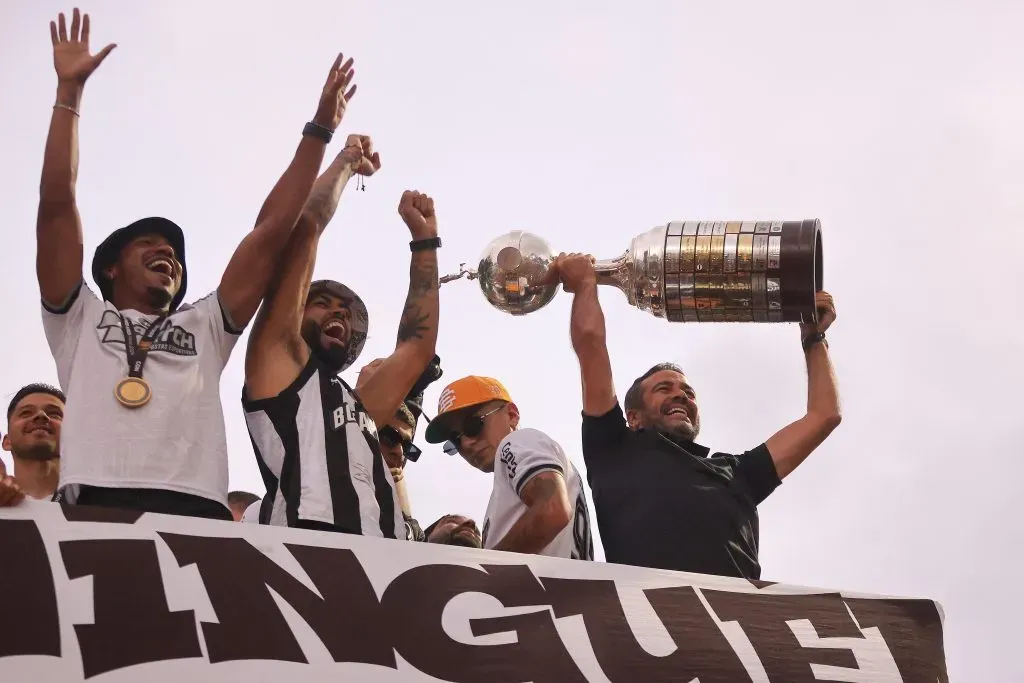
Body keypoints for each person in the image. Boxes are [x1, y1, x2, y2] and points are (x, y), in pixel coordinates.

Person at [37, 9, 359, 520]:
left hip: (197, 511)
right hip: (93, 503)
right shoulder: (76, 318)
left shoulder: (206, 324)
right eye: (148, 244)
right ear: (111, 268)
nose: (167, 254)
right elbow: (57, 206)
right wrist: (69, 96)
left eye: (176, 256)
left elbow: (270, 233)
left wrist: (319, 130)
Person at [555, 252, 842, 579]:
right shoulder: (613, 449)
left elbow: (824, 416)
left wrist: (814, 338)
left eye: (688, 393)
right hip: (650, 620)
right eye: (663, 389)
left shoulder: (739, 473)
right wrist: (585, 285)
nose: (680, 395)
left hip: (739, 623)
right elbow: (591, 345)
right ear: (633, 418)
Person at [242, 141, 441, 538]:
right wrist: (345, 163)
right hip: (312, 555)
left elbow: (416, 347)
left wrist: (425, 243)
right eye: (322, 303)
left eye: (346, 313)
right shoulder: (275, 365)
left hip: (387, 567)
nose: (339, 313)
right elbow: (305, 230)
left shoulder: (356, 406)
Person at [424, 376, 594, 559]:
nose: (466, 443)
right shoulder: (511, 481)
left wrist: (486, 567)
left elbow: (552, 510)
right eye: (455, 439)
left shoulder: (516, 442)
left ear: (511, 415)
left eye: (473, 425)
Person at [0, 384, 65, 506]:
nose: (41, 415)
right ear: (7, 441)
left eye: (54, 414)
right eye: (26, 413)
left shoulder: (102, 500)